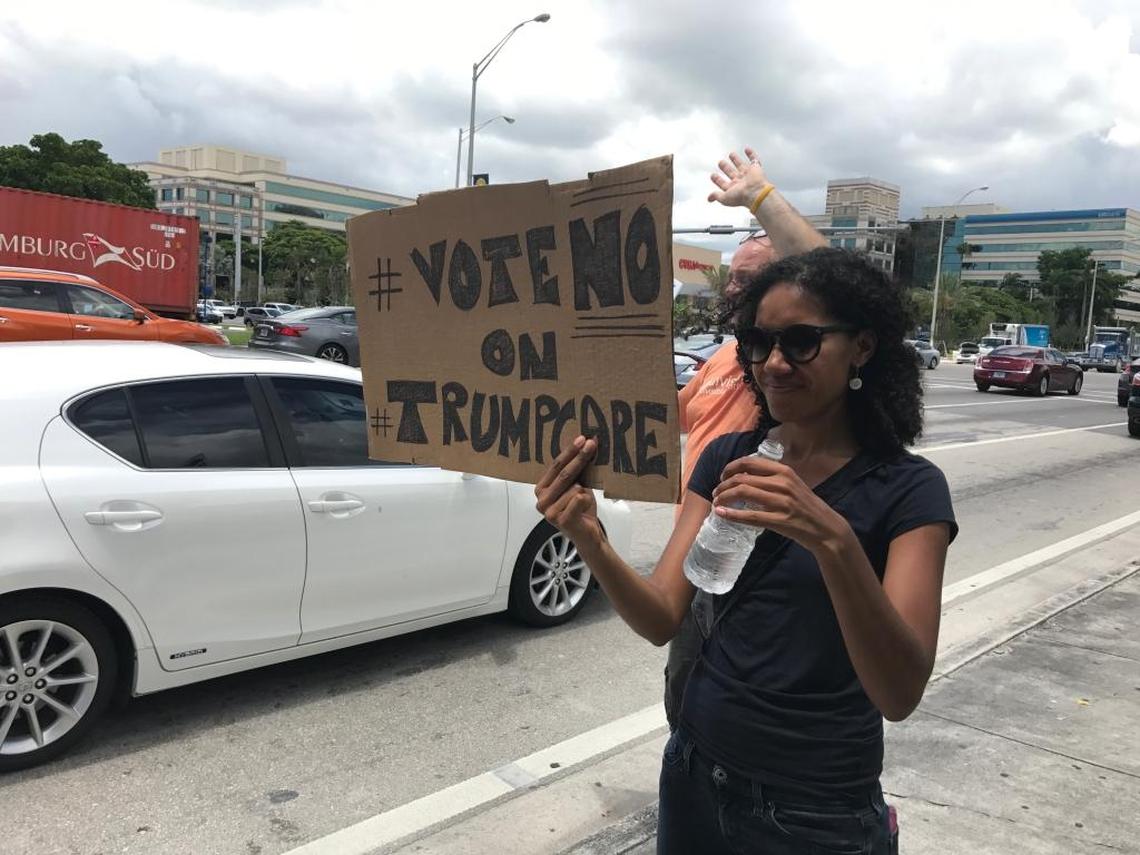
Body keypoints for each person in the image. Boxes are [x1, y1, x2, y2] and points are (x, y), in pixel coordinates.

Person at [535, 149, 956, 854]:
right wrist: (591, 539)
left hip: (814, 809)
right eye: (759, 342)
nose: (774, 362)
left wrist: (831, 537)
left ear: (861, 348)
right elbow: (662, 615)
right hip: (694, 773)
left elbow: (900, 691)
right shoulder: (732, 458)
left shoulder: (908, 491)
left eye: (800, 341)